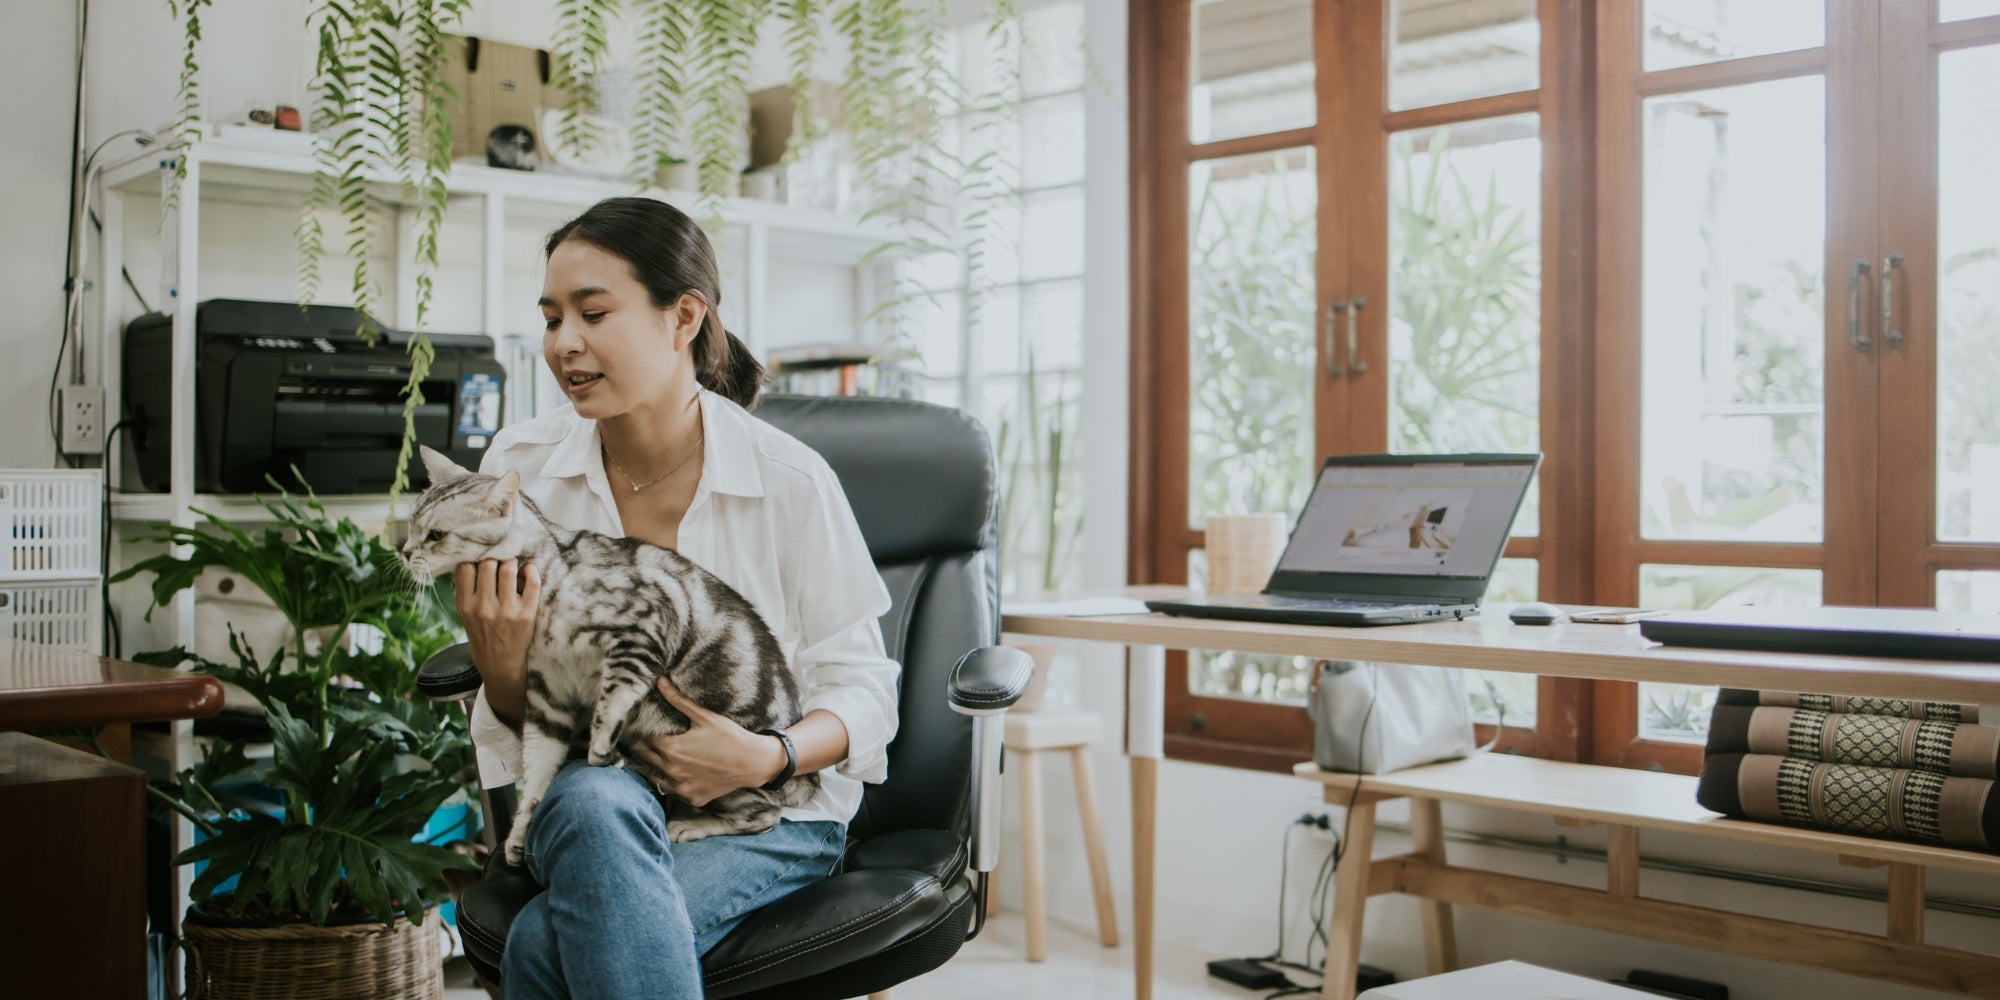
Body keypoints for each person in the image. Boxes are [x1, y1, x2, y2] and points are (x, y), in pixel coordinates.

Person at [454, 196, 898, 998]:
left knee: (544, 950)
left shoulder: (790, 481)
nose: (564, 344)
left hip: (768, 815)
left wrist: (770, 754)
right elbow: (528, 730)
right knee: (592, 798)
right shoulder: (521, 468)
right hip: (586, 801)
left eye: (592, 313)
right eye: (551, 318)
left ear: (683, 316)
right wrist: (498, 667)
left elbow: (865, 689)